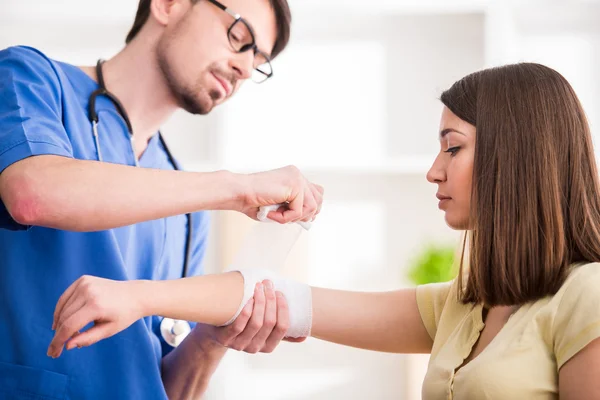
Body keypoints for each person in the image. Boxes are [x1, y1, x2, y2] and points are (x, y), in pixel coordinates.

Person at [50, 62, 600, 399]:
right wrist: (132, 297)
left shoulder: (586, 296)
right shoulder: (463, 306)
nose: (434, 170)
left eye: (452, 147)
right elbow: (273, 295)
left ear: (520, 157)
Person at [0, 0, 325, 399]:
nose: (244, 68)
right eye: (239, 37)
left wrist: (213, 336)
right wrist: (237, 187)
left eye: (257, 60)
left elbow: (164, 387)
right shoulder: (30, 79)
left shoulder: (189, 215)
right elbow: (32, 193)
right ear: (168, 5)